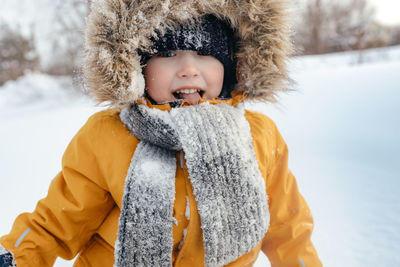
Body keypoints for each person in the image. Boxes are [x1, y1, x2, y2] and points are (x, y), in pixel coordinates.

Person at [0, 0, 322, 266]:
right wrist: (15, 257)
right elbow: (57, 221)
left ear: (233, 66)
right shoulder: (108, 135)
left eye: (206, 54)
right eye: (168, 55)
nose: (188, 69)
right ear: (137, 65)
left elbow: (286, 226)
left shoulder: (257, 136)